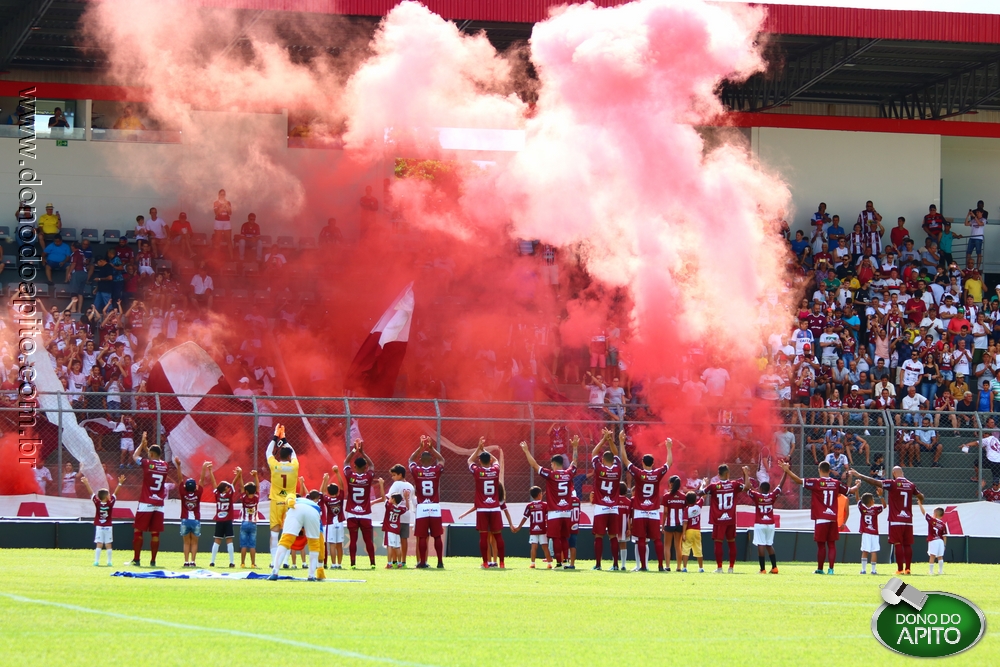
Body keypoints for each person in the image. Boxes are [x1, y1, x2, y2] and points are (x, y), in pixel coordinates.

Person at [850, 466, 924, 575]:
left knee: (898, 544)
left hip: (896, 520)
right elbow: (920, 495)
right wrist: (920, 500)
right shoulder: (911, 485)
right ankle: (908, 569)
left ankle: (900, 569)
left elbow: (875, 482)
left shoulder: (892, 484)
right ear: (902, 472)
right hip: (908, 519)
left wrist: (860, 475)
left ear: (894, 473)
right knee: (907, 545)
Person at [779, 460, 848, 575]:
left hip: (821, 518)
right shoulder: (836, 483)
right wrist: (858, 484)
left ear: (819, 470)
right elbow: (849, 490)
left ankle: (820, 569)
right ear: (829, 470)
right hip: (832, 518)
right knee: (831, 544)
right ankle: (831, 569)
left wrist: (787, 470)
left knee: (821, 545)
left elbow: (798, 480)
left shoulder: (816, 482)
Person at [520, 435, 578, 569]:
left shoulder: (551, 475)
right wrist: (575, 446)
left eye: (551, 464)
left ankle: (558, 562)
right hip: (567, 512)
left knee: (556, 538)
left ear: (553, 464)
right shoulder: (569, 473)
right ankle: (565, 562)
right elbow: (575, 462)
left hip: (555, 512)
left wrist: (526, 451)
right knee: (564, 538)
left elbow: (534, 465)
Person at [621, 438, 673, 572]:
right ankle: (661, 566)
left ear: (642, 463)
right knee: (656, 539)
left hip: (640, 511)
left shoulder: (639, 473)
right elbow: (669, 463)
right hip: (654, 512)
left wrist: (621, 442)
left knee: (641, 539)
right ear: (653, 463)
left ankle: (643, 566)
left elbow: (626, 461)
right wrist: (668, 448)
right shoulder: (657, 474)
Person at [268, 490, 325, 581]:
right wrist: (320, 568)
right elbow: (321, 541)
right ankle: (311, 575)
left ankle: (275, 572)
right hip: (313, 511)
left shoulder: (296, 500)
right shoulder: (316, 506)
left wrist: (290, 500)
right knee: (314, 544)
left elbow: (289, 496)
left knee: (285, 541)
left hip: (295, 508)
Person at [130, 432, 168, 567]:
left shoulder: (147, 464)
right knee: (155, 533)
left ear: (151, 455)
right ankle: (153, 561)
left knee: (138, 530)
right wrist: (148, 449)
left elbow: (135, 456)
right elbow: (154, 459)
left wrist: (141, 444)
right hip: (159, 504)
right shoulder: (165, 465)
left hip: (146, 503)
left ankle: (137, 559)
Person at [408, 435, 446, 569]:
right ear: (431, 460)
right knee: (437, 536)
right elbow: (442, 460)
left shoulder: (417, 470)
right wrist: (432, 448)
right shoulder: (436, 470)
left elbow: (411, 460)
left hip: (421, 507)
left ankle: (422, 562)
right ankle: (440, 562)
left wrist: (420, 447)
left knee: (422, 537)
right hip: (435, 506)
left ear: (420, 460)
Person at [589, 429, 623, 570]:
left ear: (603, 460)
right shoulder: (617, 469)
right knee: (613, 536)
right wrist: (610, 440)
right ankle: (615, 564)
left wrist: (603, 439)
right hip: (613, 507)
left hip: (600, 507)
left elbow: (593, 453)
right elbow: (616, 453)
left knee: (598, 536)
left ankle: (598, 564)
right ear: (613, 461)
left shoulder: (599, 468)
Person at [468, 437, 505, 569]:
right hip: (494, 507)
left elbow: (470, 460)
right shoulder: (495, 470)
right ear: (489, 460)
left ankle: (485, 563)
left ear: (480, 461)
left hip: (482, 508)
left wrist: (479, 448)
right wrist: (485, 451)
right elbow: (495, 460)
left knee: (483, 536)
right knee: (498, 536)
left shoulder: (477, 471)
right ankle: (501, 563)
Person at [266, 424, 299, 567]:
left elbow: (268, 452)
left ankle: (274, 561)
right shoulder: (294, 466)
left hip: (276, 501)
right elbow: (295, 453)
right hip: (289, 501)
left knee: (274, 532)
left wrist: (275, 437)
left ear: (278, 455)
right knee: (287, 531)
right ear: (290, 456)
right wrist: (284, 439)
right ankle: (285, 561)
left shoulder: (274, 465)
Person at [743, 465, 785, 574]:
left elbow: (747, 488)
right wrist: (786, 472)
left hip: (760, 523)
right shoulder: (772, 496)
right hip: (771, 524)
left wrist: (746, 473)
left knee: (761, 545)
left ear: (761, 489)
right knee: (769, 544)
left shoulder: (757, 496)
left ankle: (762, 569)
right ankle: (774, 567)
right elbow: (781, 485)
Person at [701, 462, 743, 574]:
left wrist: (704, 484)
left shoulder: (714, 486)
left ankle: (719, 568)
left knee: (718, 543)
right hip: (730, 519)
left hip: (719, 520)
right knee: (732, 543)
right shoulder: (734, 485)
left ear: (718, 475)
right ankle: (731, 568)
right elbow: (747, 487)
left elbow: (700, 493)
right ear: (728, 474)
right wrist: (746, 474)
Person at [344, 438, 377, 569]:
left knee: (353, 540)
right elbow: (372, 465)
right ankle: (373, 563)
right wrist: (362, 452)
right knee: (368, 540)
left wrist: (354, 451)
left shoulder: (350, 475)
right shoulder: (368, 476)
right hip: (365, 514)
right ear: (365, 467)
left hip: (352, 512)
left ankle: (352, 564)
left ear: (355, 466)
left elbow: (346, 462)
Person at [80, 473, 125, 567]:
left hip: (99, 527)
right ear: (106, 496)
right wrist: (120, 483)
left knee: (99, 544)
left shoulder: (97, 502)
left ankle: (96, 562)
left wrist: (86, 483)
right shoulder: (110, 503)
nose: (110, 495)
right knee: (108, 544)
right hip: (108, 527)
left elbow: (91, 493)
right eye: (108, 494)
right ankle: (109, 562)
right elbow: (115, 493)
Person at [175, 458, 209, 568]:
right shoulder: (198, 493)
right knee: (194, 543)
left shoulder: (182, 492)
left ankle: (186, 561)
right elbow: (202, 480)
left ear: (186, 486)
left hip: (185, 520)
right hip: (196, 520)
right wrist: (204, 468)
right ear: (195, 487)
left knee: (186, 542)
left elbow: (180, 479)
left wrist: (179, 466)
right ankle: (193, 561)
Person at [512, 486, 552, 568]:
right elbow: (548, 518)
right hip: (542, 529)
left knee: (534, 547)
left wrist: (519, 527)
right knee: (545, 546)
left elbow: (525, 517)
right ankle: (549, 564)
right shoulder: (545, 505)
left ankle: (533, 563)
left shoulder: (529, 506)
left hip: (534, 529)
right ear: (539, 494)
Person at [207, 463, 236, 568]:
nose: (229, 488)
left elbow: (214, 484)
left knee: (217, 541)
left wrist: (210, 471)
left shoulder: (217, 494)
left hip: (219, 520)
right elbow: (234, 483)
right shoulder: (229, 494)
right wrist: (238, 475)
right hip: (227, 520)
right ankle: (232, 562)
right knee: (229, 540)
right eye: (227, 487)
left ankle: (212, 561)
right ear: (225, 488)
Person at [386, 463, 414, 567]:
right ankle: (403, 562)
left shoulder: (396, 484)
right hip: (406, 515)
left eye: (394, 475)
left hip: (395, 517)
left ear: (400, 475)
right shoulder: (410, 486)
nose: (393, 477)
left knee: (394, 540)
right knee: (404, 539)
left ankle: (393, 561)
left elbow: (389, 499)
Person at [319, 465, 345, 570]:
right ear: (337, 491)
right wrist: (338, 473)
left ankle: (333, 564)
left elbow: (321, 492)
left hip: (330, 523)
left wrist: (325, 480)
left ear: (328, 492)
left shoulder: (327, 499)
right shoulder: (340, 497)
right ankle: (339, 564)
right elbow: (342, 486)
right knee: (339, 544)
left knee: (332, 545)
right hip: (340, 523)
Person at [235, 468, 260, 568]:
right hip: (253, 523)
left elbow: (241, 487)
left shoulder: (244, 498)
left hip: (244, 522)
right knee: (252, 545)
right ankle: (253, 564)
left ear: (246, 491)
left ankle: (242, 563)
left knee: (244, 545)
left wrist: (240, 476)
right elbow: (258, 487)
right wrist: (256, 476)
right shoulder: (256, 498)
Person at [661, 474, 687, 572]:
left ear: (671, 484)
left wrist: (663, 525)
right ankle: (679, 567)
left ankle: (667, 566)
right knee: (678, 546)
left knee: (667, 546)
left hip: (669, 523)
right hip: (679, 524)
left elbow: (666, 512)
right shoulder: (683, 496)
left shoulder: (666, 496)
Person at [858, 491, 884, 575]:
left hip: (866, 533)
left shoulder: (863, 509)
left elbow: (858, 500)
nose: (874, 501)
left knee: (865, 551)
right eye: (873, 499)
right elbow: (884, 506)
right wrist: (880, 496)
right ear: (870, 501)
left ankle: (863, 570)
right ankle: (873, 570)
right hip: (874, 533)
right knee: (874, 551)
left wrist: (857, 490)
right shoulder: (875, 509)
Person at [680, 490, 706, 573]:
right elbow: (703, 496)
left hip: (689, 530)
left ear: (686, 500)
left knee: (686, 548)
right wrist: (704, 483)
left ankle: (684, 567)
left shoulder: (687, 510)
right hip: (697, 530)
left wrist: (683, 533)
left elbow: (685, 522)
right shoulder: (698, 506)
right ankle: (701, 567)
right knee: (698, 549)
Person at [920, 501, 948, 576]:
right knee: (940, 556)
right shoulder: (943, 524)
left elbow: (924, 513)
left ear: (935, 514)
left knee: (932, 556)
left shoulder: (932, 520)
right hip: (940, 541)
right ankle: (941, 571)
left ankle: (931, 571)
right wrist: (944, 545)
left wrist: (920, 504)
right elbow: (945, 535)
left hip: (933, 540)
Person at [213, 189, 234, 258]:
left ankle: (231, 256)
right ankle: (216, 257)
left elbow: (230, 213)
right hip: (218, 222)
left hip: (226, 221)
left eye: (224, 194)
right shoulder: (216, 203)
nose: (222, 196)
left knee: (229, 240)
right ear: (219, 195)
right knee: (217, 239)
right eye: (221, 194)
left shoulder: (228, 202)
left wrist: (227, 206)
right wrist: (222, 207)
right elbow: (216, 213)